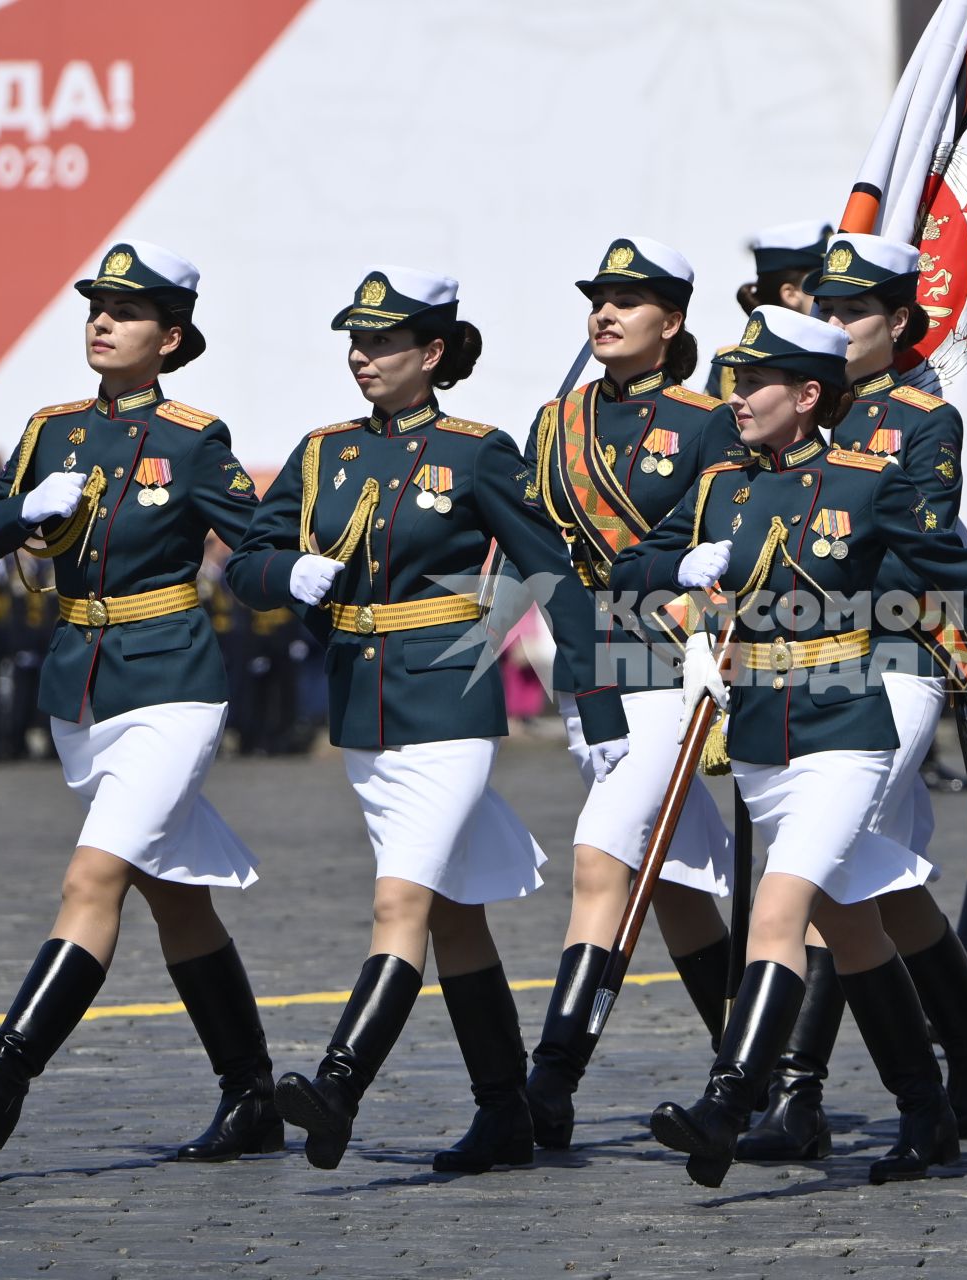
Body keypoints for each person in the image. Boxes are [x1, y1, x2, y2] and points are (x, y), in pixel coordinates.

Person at [611, 305, 967, 1188]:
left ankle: (731, 1101)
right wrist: (676, 567)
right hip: (762, 730)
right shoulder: (722, 485)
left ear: (808, 395)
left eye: (756, 382)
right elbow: (626, 568)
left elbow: (950, 564)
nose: (737, 398)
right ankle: (925, 1111)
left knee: (779, 912)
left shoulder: (865, 482)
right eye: (734, 379)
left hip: (847, 729)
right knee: (851, 921)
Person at [225, 266, 630, 1173]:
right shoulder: (322, 452)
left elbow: (548, 572)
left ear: (432, 353)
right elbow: (245, 562)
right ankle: (506, 1113)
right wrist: (282, 576)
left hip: (450, 700)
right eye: (355, 342)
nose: (362, 358)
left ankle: (338, 1085)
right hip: (364, 709)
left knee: (398, 901)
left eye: (382, 343)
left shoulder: (479, 452)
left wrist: (594, 701)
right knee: (451, 916)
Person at [0, 241, 275, 1160]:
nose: (102, 321)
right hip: (82, 687)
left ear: (172, 335)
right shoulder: (50, 430)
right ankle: (253, 1096)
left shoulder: (195, 440)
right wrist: (20, 512)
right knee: (175, 900)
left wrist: (331, 589)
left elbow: (262, 549)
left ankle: (6, 1070)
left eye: (125, 310)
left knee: (93, 878)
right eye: (96, 307)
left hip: (171, 684)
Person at [738, 234, 967, 1163]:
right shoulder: (790, 406)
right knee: (874, 877)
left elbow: (917, 550)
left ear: (899, 323)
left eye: (855, 312)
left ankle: (796, 1089)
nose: (837, 325)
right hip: (796, 666)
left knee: (823, 867)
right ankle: (966, 1043)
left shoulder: (921, 418)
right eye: (827, 308)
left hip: (893, 651)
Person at [517, 236, 739, 1152]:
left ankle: (549, 1078)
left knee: (602, 859)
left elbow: (727, 549)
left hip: (664, 665)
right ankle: (754, 1066)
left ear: (672, 322)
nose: (605, 313)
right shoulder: (553, 423)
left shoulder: (706, 423)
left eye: (629, 300)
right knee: (677, 883)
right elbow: (537, 561)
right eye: (598, 298)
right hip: (587, 670)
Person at [707, 220, 830, 400]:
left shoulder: (844, 353)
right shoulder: (727, 363)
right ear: (791, 294)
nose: (833, 296)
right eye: (820, 286)